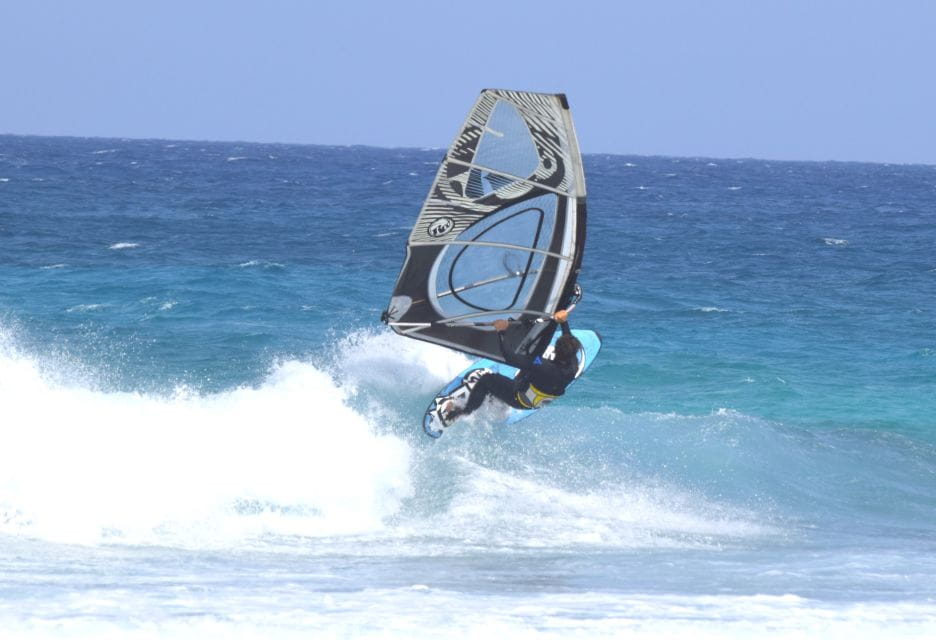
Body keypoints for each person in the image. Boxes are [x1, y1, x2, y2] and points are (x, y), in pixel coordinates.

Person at [441, 309, 581, 424]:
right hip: (536, 402)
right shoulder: (573, 367)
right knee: (530, 368)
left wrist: (501, 332)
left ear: (556, 351)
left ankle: (464, 410)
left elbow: (510, 356)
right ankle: (496, 398)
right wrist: (563, 322)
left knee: (487, 379)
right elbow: (568, 339)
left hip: (518, 399)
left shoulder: (541, 365)